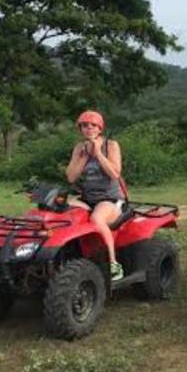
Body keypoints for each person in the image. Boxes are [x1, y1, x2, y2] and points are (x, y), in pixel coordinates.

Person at [65, 110, 126, 281]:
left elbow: (115, 174)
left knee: (97, 219)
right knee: (61, 211)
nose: (89, 128)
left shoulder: (111, 145)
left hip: (110, 199)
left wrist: (98, 153)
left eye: (93, 125)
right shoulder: (79, 147)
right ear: (80, 129)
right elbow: (71, 176)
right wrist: (84, 155)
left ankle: (113, 264)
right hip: (87, 198)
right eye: (84, 125)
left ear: (100, 128)